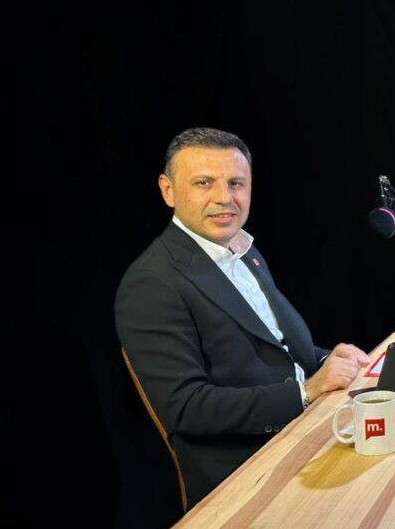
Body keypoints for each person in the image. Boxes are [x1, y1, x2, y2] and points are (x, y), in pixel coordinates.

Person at [115, 128, 369, 504]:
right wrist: (306, 392)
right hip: (249, 471)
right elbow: (187, 408)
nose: (225, 198)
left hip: (310, 428)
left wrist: (330, 360)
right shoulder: (151, 283)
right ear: (168, 191)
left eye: (236, 183)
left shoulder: (244, 250)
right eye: (204, 183)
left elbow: (280, 348)